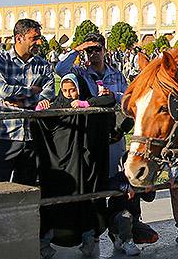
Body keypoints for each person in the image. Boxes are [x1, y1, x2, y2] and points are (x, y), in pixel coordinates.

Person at [35, 74, 111, 259]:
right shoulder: (56, 104)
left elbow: (109, 100)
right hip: (59, 165)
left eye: (73, 90)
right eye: (65, 90)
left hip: (82, 165)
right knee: (56, 201)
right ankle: (46, 242)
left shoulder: (84, 102)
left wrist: (86, 104)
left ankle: (87, 238)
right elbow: (39, 121)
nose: (69, 94)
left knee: (83, 200)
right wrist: (40, 108)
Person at [0, 19, 54, 184]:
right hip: (4, 136)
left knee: (26, 189)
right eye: (34, 38)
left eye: (39, 37)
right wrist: (30, 91)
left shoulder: (42, 64)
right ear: (19, 38)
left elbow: (49, 93)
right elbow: (3, 91)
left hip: (31, 137)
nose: (39, 42)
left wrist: (23, 103)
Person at [55, 33, 129, 177]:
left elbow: (129, 98)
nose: (94, 53)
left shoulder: (116, 74)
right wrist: (77, 49)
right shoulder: (80, 72)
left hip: (113, 132)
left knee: (114, 176)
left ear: (104, 50)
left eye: (97, 49)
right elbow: (60, 69)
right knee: (92, 177)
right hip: (89, 133)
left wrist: (114, 96)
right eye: (89, 50)